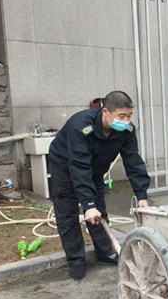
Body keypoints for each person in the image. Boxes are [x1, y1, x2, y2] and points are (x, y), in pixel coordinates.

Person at [48, 91, 150, 280]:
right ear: (105, 112)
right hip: (65, 165)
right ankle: (76, 260)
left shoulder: (127, 130)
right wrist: (88, 204)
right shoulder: (80, 126)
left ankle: (105, 252)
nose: (126, 120)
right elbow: (79, 166)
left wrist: (142, 195)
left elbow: (133, 161)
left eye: (129, 115)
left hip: (95, 166)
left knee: (99, 210)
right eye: (121, 116)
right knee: (67, 211)